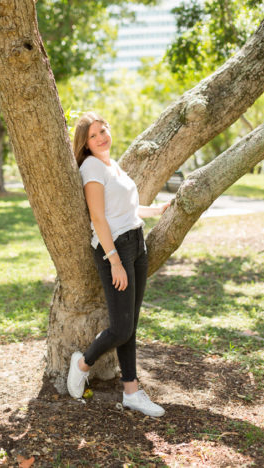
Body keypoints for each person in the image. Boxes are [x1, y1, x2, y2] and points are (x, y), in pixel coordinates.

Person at [67, 112, 170, 417]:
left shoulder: (113, 165)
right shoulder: (91, 167)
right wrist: (114, 261)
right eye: (93, 135)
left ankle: (131, 392)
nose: (101, 137)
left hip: (136, 243)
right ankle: (83, 363)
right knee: (121, 328)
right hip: (116, 249)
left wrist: (157, 210)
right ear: (85, 143)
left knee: (130, 326)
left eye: (103, 130)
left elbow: (127, 208)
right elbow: (98, 217)